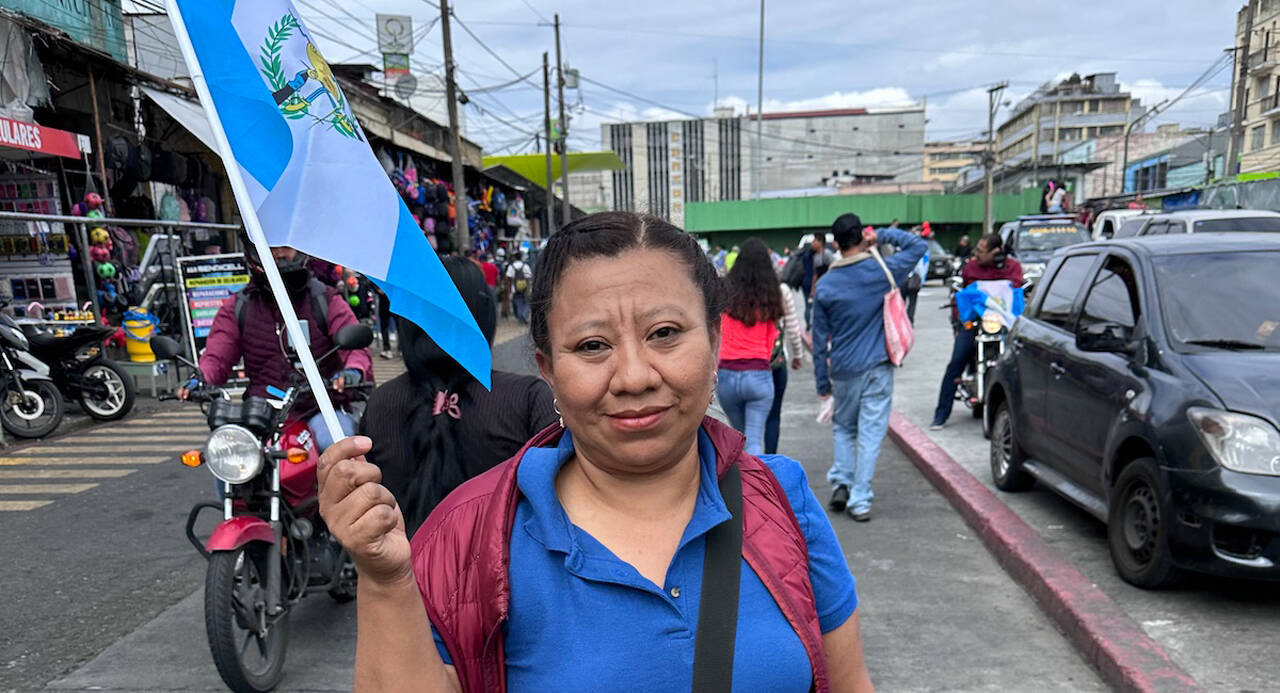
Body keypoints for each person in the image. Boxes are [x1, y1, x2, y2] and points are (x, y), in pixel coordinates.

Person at [318, 211, 872, 692]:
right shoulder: (466, 536)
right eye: (592, 346)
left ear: (714, 342)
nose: (633, 377)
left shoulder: (781, 500)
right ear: (547, 370)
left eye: (665, 333)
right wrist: (386, 580)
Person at [361, 256, 557, 536]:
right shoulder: (527, 398)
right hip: (507, 578)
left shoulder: (381, 404)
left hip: (401, 577)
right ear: (484, 317)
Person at [181, 243, 371, 452]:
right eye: (269, 246)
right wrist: (199, 378)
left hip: (320, 409)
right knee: (224, 451)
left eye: (284, 246)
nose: (278, 253)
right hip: (261, 411)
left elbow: (355, 348)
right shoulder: (238, 306)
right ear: (253, 251)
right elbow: (216, 357)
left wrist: (353, 370)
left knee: (337, 446)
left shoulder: (325, 299)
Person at [813, 213, 926, 522]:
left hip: (844, 369)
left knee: (844, 427)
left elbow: (820, 342)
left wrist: (823, 384)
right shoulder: (881, 270)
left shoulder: (825, 287)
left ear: (835, 243)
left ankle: (842, 482)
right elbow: (917, 246)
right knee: (872, 432)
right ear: (862, 235)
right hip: (878, 365)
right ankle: (860, 500)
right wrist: (885, 235)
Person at [717, 238, 802, 455]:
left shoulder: (725, 293)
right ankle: (759, 485)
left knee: (739, 437)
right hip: (759, 375)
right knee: (754, 440)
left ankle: (742, 485)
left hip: (727, 375)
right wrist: (797, 355)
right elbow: (775, 335)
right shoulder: (772, 296)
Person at [930, 233, 1023, 430]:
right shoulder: (971, 268)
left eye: (981, 251)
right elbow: (962, 296)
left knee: (1019, 362)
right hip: (974, 321)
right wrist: (959, 322)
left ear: (996, 252)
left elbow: (1017, 293)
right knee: (957, 361)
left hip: (1003, 323)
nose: (977, 254)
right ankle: (941, 414)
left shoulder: (1013, 268)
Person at [766, 280, 807, 455]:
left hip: (738, 364)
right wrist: (798, 354)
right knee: (773, 416)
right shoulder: (780, 290)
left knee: (744, 425)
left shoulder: (733, 289)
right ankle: (768, 463)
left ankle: (745, 470)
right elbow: (792, 326)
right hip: (775, 362)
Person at [799, 235, 835, 324]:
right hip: (820, 286)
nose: (812, 243)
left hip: (828, 286)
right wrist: (813, 289)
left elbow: (834, 269)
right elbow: (815, 274)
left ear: (820, 242)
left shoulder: (827, 254)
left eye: (815, 241)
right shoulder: (815, 257)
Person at [506, 250, 533, 324]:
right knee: (527, 302)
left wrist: (510, 290)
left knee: (518, 303)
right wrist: (530, 287)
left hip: (515, 288)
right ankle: (524, 314)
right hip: (525, 287)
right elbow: (529, 277)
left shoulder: (511, 267)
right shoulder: (526, 266)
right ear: (521, 257)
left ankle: (520, 318)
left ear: (514, 257)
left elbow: (508, 279)